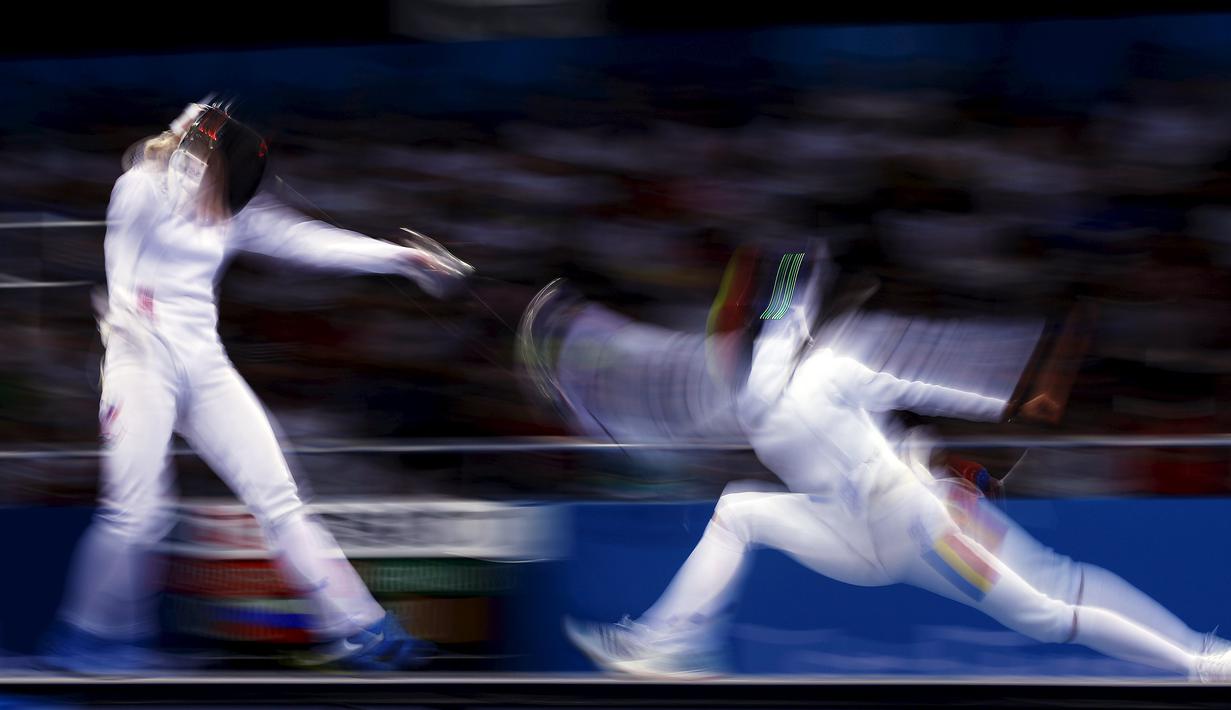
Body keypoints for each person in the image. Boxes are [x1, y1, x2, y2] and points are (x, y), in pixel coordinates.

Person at [551, 247, 1231, 681]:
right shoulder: (805, 367)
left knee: (1045, 607)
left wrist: (579, 351)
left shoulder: (783, 381)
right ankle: (666, 643)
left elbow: (676, 379)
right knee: (740, 511)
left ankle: (1201, 661)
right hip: (868, 530)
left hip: (917, 525)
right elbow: (944, 373)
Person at [42, 98, 472, 672]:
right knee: (138, 512)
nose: (225, 210)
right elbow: (128, 231)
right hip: (138, 359)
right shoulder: (143, 188)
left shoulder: (233, 207)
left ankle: (361, 629)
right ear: (206, 163)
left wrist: (403, 259)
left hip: (204, 364)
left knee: (281, 499)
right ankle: (89, 636)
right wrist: (190, 132)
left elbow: (308, 240)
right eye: (222, 188)